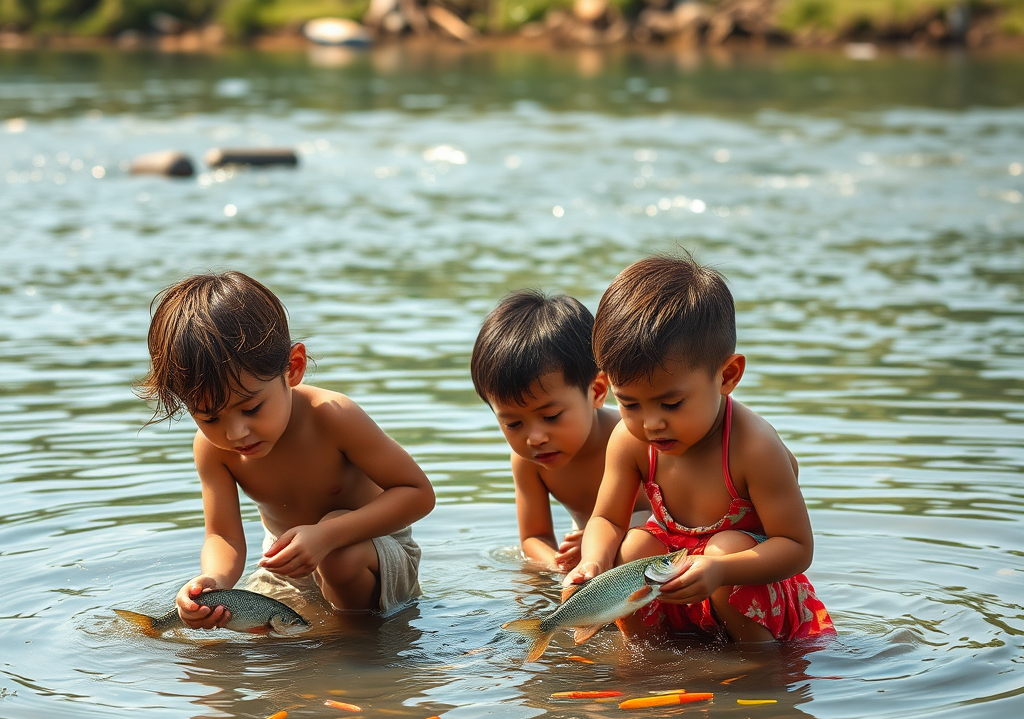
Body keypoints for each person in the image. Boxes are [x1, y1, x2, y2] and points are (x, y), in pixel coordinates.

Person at [138, 271, 434, 629]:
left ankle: (357, 645)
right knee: (248, 645)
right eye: (209, 417)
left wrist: (328, 536)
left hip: (370, 552)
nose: (235, 432)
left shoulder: (333, 417)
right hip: (288, 568)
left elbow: (418, 494)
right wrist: (212, 582)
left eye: (251, 408)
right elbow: (223, 535)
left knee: (339, 554)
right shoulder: (212, 451)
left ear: (293, 368)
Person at [563, 254, 835, 643]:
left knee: (722, 549)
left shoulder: (754, 447)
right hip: (674, 583)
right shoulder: (630, 441)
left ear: (727, 376)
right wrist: (593, 563)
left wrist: (721, 571)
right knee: (633, 548)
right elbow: (606, 520)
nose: (651, 423)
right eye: (630, 403)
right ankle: (648, 662)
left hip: (742, 583)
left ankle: (760, 672)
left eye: (671, 404)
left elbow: (796, 546)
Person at [471, 290, 649, 572]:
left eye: (551, 416)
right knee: (527, 582)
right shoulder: (529, 463)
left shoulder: (635, 438)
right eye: (513, 424)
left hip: (649, 542)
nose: (535, 438)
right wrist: (559, 564)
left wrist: (602, 543)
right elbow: (533, 537)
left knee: (634, 548)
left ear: (597, 391)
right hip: (587, 550)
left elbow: (686, 516)